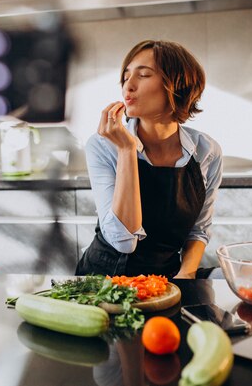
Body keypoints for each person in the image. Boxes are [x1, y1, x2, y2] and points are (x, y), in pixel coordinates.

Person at [75, 40, 223, 279]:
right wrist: (126, 150)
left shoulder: (206, 151)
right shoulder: (104, 145)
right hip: (105, 283)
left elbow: (199, 230)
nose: (128, 86)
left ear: (177, 85)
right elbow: (123, 242)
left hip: (167, 280)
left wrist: (186, 275)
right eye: (125, 77)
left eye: (143, 75)